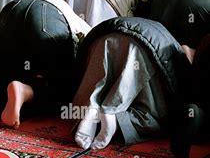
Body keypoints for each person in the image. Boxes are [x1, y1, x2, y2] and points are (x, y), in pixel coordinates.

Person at [0, 0, 91, 128]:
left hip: (11, 11)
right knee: (63, 90)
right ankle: (25, 91)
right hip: (46, 21)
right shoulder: (80, 23)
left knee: (8, 72)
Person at [72, 17, 191, 150]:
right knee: (158, 118)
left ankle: (92, 107)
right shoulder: (184, 58)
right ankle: (113, 116)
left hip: (103, 39)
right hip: (143, 50)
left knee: (99, 83)